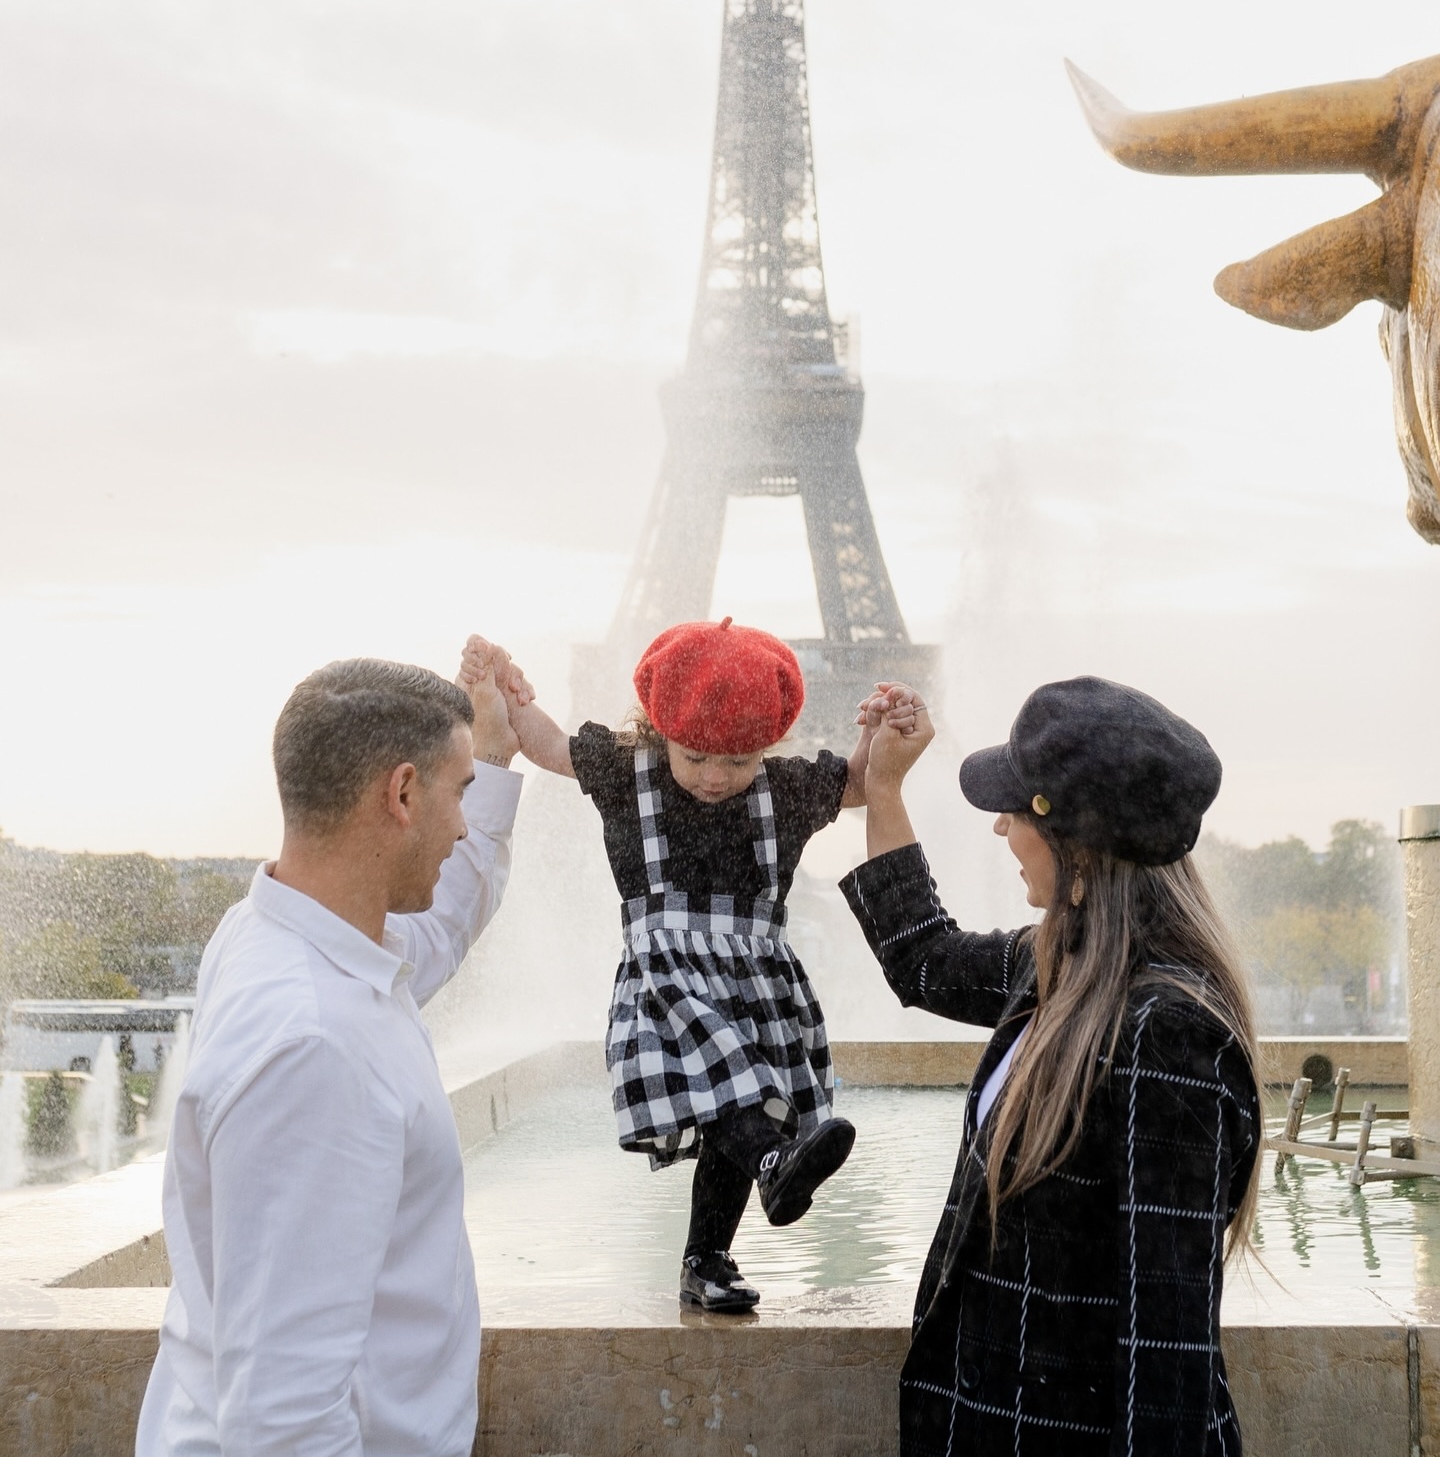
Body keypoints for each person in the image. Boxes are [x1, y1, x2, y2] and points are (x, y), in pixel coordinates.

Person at [841, 675, 1261, 1456]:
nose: (999, 825)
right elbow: (922, 958)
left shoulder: (1167, 1034)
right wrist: (884, 787)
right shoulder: (1062, 968)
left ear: (1073, 837)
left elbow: (1165, 1349)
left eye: (1015, 806)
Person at [135, 639, 523, 1457]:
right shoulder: (314, 1046)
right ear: (403, 793)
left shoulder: (284, 935)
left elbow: (439, 926)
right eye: (462, 791)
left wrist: (487, 747)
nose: (463, 822)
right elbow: (283, 1421)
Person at [497, 616, 910, 1314]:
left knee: (738, 1109)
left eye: (739, 760)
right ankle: (777, 1164)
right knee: (733, 1093)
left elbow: (859, 785)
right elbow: (549, 745)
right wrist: (510, 693)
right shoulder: (628, 771)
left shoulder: (786, 789)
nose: (717, 776)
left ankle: (707, 1258)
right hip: (668, 979)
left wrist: (874, 731)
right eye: (696, 757)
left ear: (767, 746)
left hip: (756, 978)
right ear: (659, 733)